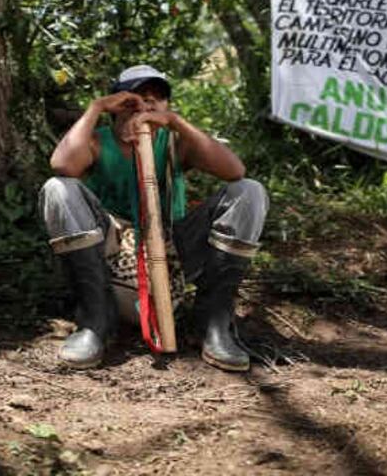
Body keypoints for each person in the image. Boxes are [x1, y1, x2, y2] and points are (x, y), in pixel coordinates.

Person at [41, 65, 268, 371]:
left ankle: (212, 326)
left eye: (158, 97)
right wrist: (96, 107)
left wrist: (175, 122)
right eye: (137, 96)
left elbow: (234, 170)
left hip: (171, 257)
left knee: (249, 191)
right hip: (112, 259)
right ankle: (95, 323)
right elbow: (62, 164)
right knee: (58, 188)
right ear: (118, 103)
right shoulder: (96, 141)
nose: (148, 103)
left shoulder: (174, 143)